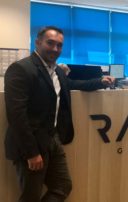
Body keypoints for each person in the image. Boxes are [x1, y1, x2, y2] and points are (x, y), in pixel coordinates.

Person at [4, 26, 115, 202]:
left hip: (53, 139)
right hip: (31, 143)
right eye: (50, 43)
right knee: (31, 196)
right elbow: (16, 116)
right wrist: (31, 152)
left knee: (63, 186)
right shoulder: (21, 69)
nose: (55, 49)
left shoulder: (56, 71)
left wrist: (100, 81)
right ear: (38, 42)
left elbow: (73, 84)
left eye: (59, 45)